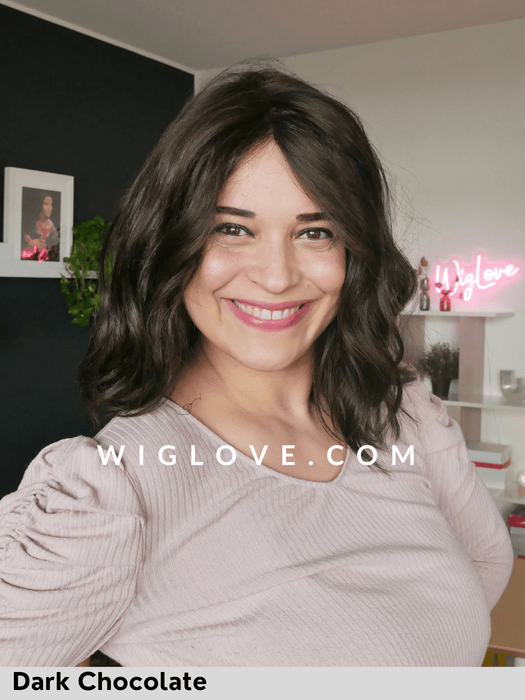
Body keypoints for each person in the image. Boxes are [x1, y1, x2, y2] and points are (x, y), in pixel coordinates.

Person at [0, 62, 513, 667]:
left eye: (315, 232)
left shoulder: (405, 416)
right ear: (171, 244)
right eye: (232, 229)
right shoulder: (109, 490)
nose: (276, 277)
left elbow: (482, 572)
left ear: (354, 250)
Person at [21, 194, 60, 261]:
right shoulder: (29, 225)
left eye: (51, 204)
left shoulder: (54, 231)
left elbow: (54, 255)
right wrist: (30, 243)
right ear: (39, 206)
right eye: (46, 204)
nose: (50, 208)